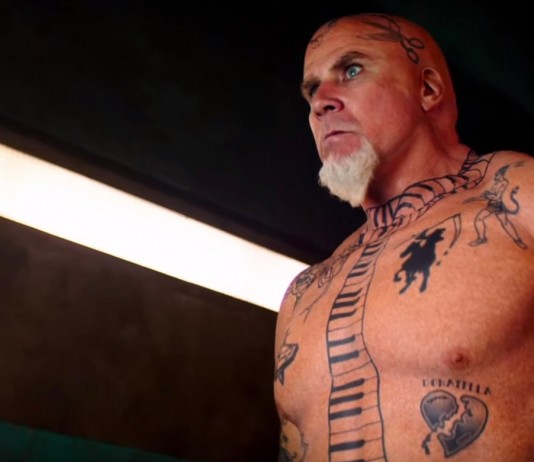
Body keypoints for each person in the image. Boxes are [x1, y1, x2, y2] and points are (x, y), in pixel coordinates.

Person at [273, 12, 534, 462]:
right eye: (312, 90)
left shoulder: (519, 195)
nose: (321, 103)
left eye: (351, 70)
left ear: (427, 89)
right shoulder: (303, 294)